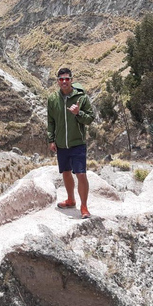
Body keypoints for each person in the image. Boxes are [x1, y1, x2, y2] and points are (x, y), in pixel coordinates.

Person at [47, 67, 95, 219]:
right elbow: (51, 121)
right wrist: (51, 139)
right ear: (58, 81)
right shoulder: (53, 99)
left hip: (77, 142)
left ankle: (84, 207)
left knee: (81, 174)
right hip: (61, 144)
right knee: (66, 172)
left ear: (71, 80)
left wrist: (78, 113)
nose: (64, 82)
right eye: (61, 79)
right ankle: (70, 200)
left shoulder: (82, 98)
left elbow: (89, 118)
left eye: (67, 79)